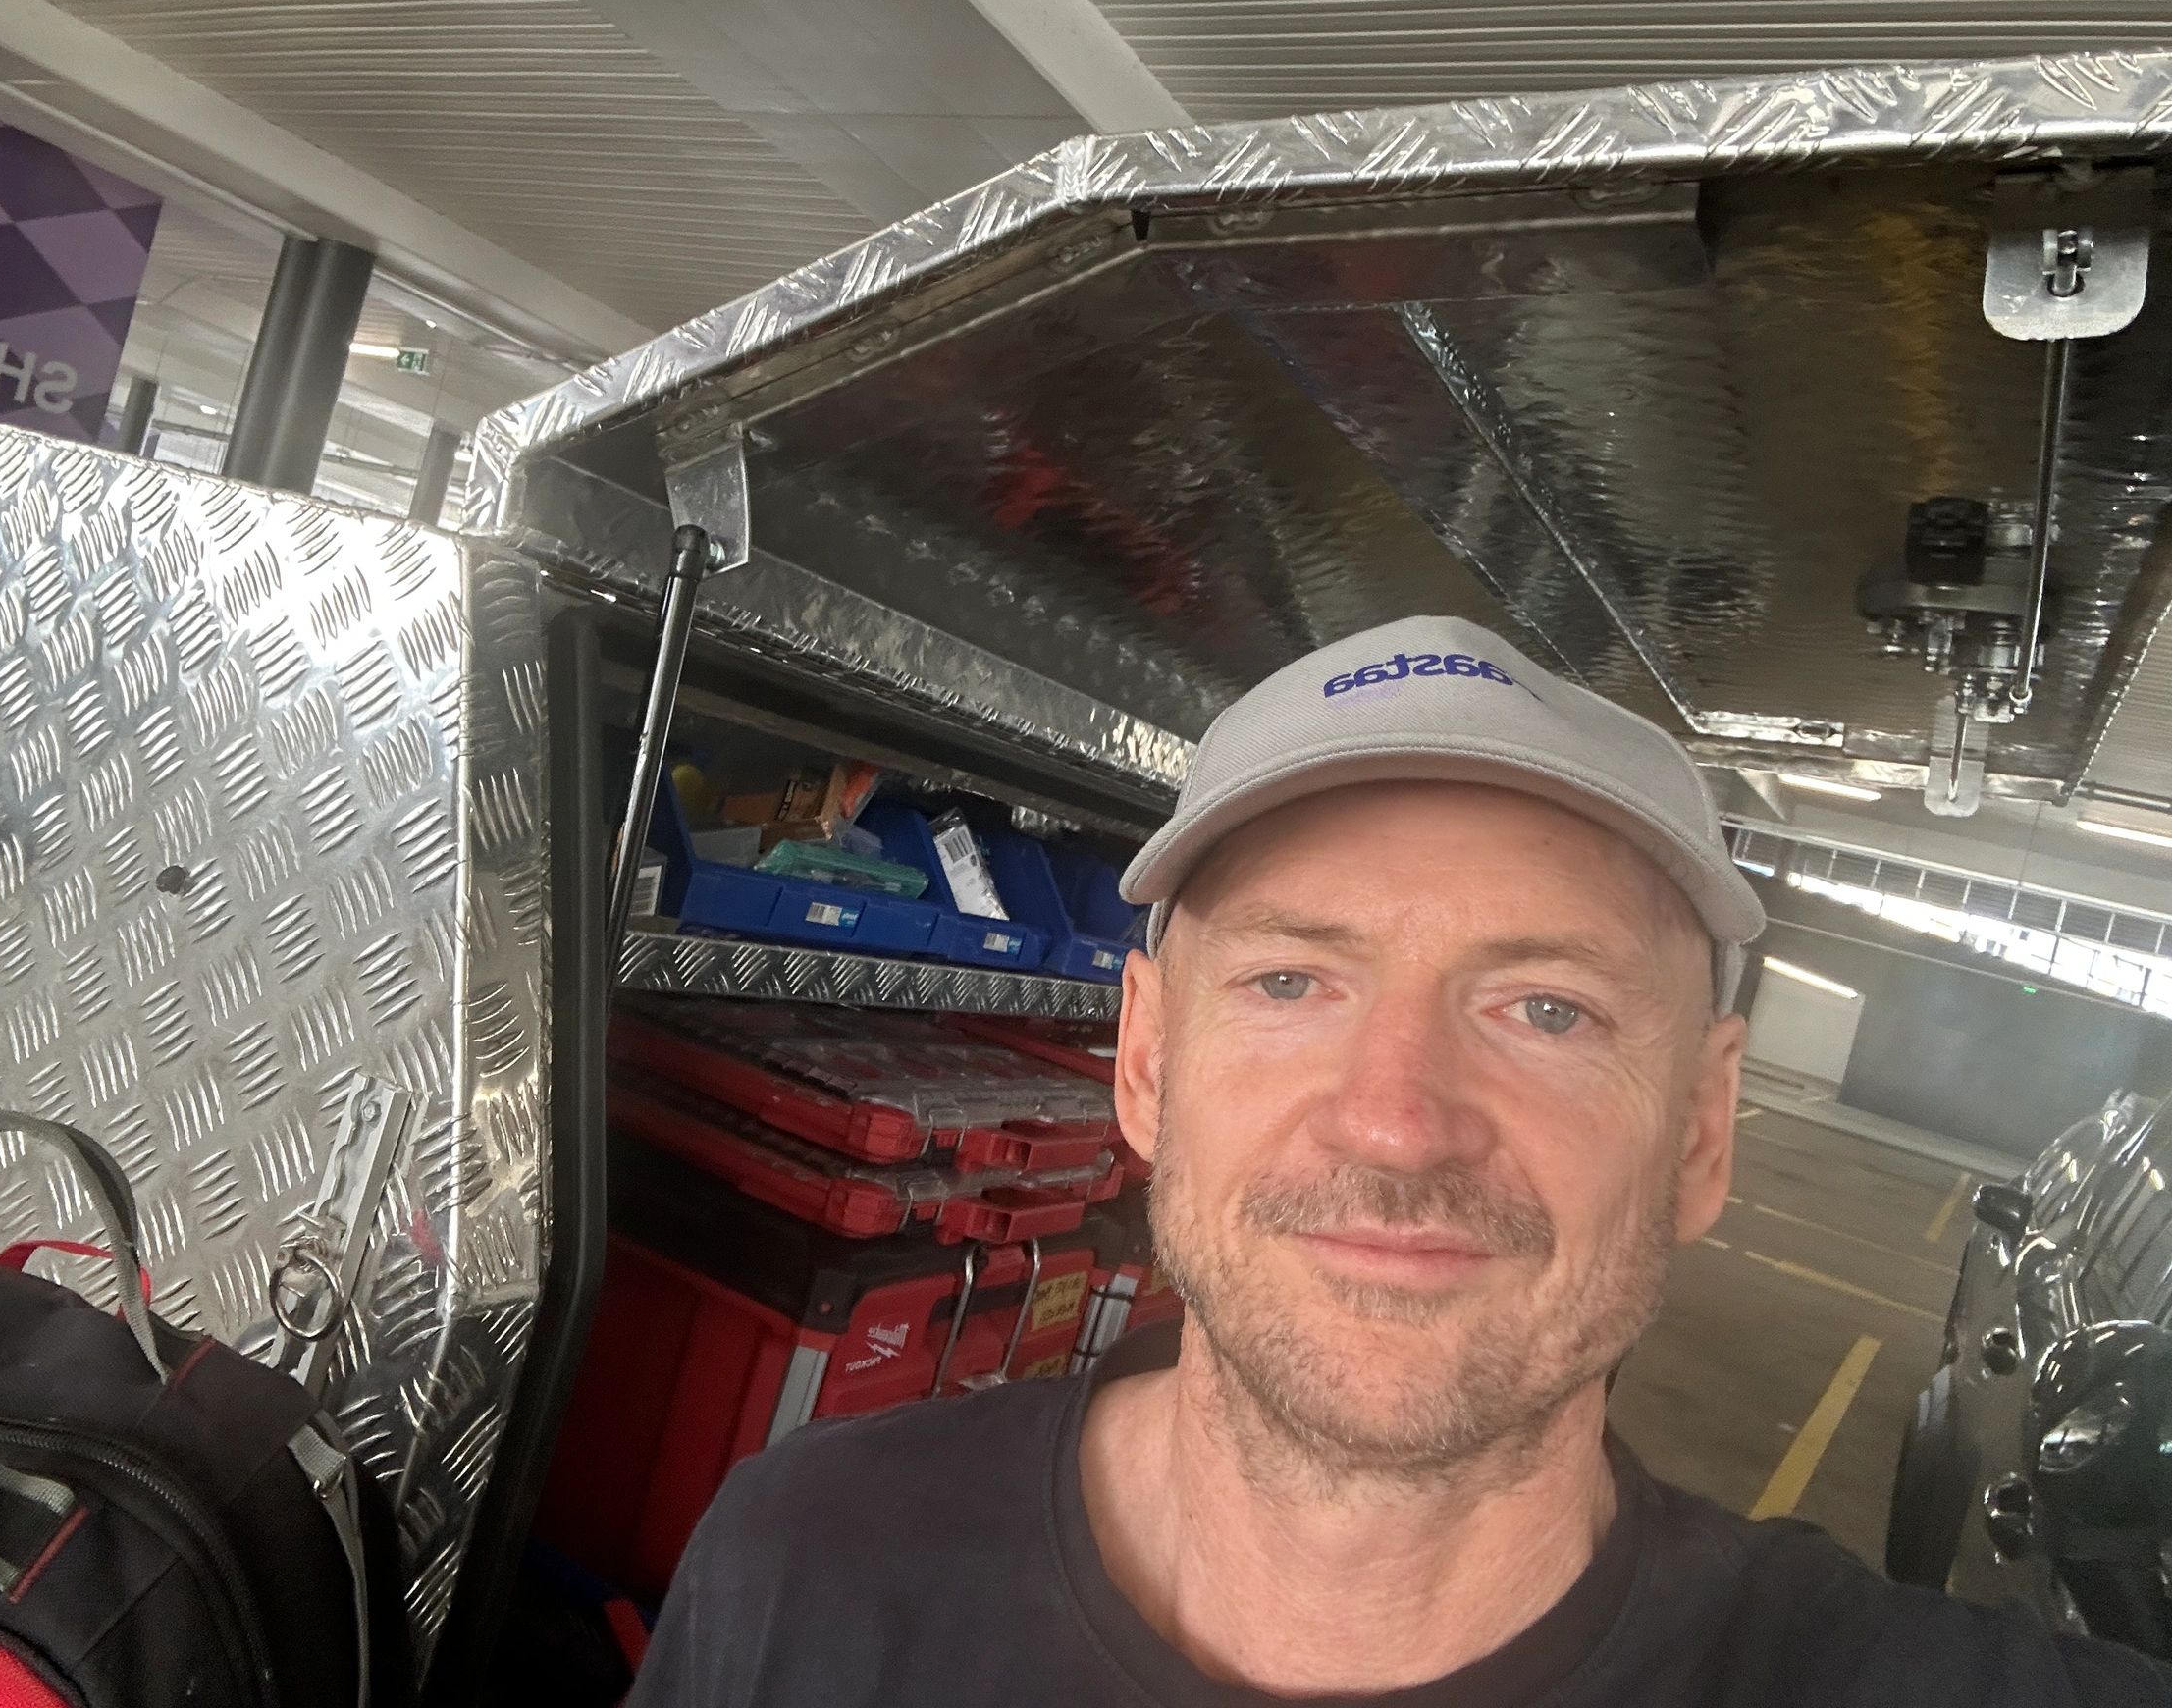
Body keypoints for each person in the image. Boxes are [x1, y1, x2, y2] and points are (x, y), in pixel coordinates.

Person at [625, 614, 2171, 1706]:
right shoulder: (803, 1561)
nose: (1394, 1118)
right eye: (1294, 983)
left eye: (1546, 1008)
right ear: (1150, 1064)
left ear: (1700, 1132)